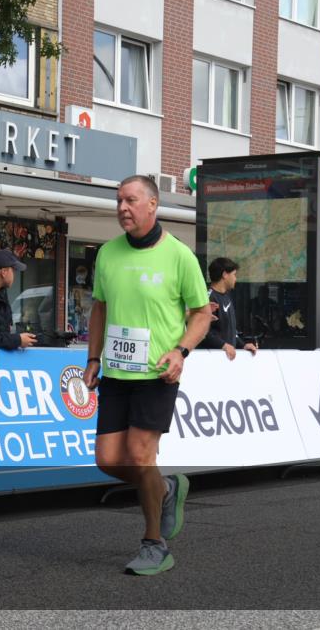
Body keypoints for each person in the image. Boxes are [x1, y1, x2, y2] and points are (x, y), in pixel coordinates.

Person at [82, 175, 213, 576]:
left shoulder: (179, 256)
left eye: (131, 200)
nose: (123, 207)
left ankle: (154, 544)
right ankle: (168, 487)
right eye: (119, 200)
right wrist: (93, 358)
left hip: (158, 373)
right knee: (107, 459)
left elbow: (201, 313)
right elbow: (100, 309)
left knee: (141, 457)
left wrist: (181, 351)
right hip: (118, 374)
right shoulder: (107, 254)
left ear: (153, 205)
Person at [0, 248, 37, 350]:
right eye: (13, 270)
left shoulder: (1, 294)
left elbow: (4, 331)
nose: (15, 274)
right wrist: (17, 340)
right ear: (3, 272)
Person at [199, 257, 258, 359]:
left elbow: (230, 331)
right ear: (225, 274)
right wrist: (223, 345)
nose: (236, 279)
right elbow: (201, 332)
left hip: (227, 360)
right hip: (211, 360)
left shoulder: (227, 297)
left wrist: (242, 345)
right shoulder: (208, 298)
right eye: (234, 275)